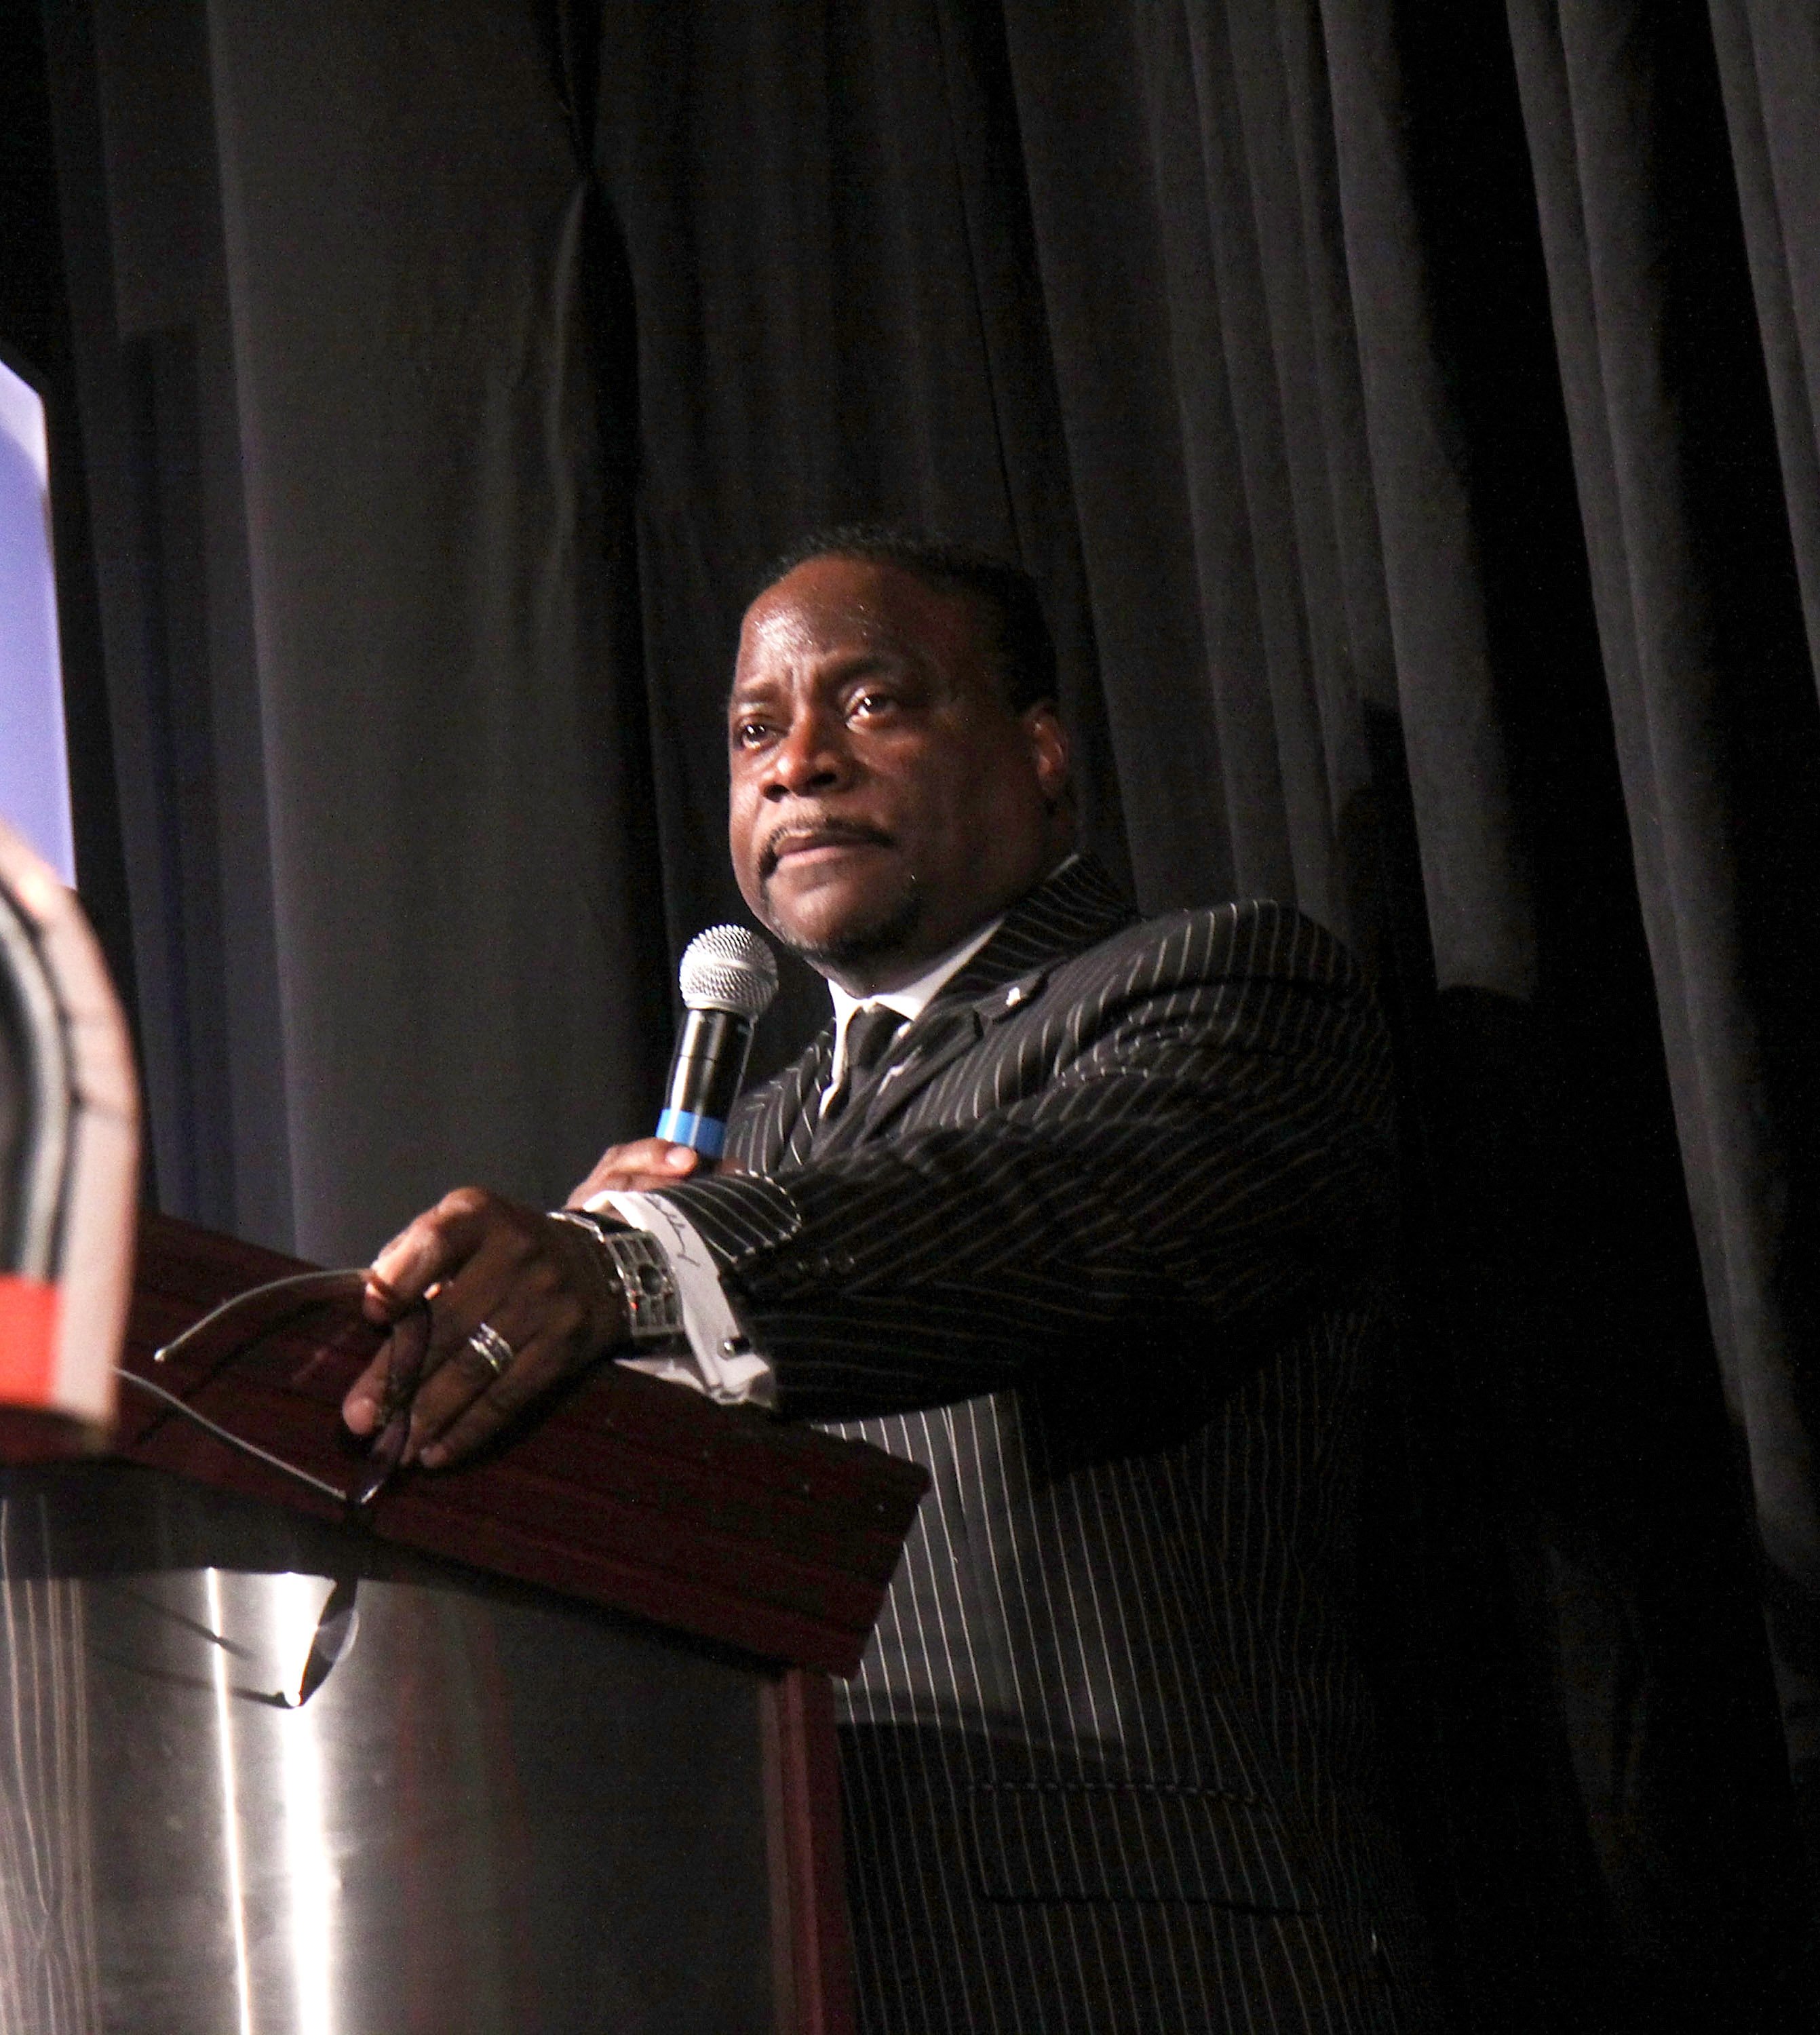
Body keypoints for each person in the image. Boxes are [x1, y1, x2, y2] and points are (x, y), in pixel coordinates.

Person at [343, 528, 1436, 2032]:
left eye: (869, 705)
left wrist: (650, 1269)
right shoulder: (750, 1145)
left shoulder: (1220, 990)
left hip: (1142, 1965)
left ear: (1041, 753)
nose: (794, 764)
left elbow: (1029, 1213)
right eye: (751, 731)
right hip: (792, 1961)